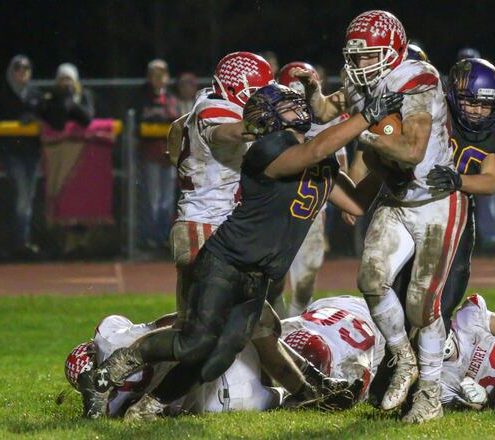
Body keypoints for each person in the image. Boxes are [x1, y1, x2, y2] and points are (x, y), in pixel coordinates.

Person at [84, 83, 402, 417]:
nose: (298, 108)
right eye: (286, 106)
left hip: (259, 274)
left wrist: (385, 165)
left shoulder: (315, 154)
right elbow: (310, 154)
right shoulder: (267, 149)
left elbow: (356, 203)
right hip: (225, 261)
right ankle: (107, 373)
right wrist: (366, 117)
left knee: (219, 355)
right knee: (195, 342)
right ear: (266, 117)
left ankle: (149, 407)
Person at [295, 10, 467, 423]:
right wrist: (312, 89)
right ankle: (403, 358)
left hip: (434, 202)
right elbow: (324, 112)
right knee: (370, 279)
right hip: (395, 198)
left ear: (391, 52)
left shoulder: (417, 79)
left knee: (421, 304)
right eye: (355, 57)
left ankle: (430, 392)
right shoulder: (359, 80)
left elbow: (410, 152)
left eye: (369, 56)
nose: (359, 65)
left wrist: (362, 129)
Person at [168, 51, 273, 325]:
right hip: (205, 224)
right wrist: (273, 122)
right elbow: (233, 132)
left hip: (223, 222)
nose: (261, 100)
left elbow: (175, 133)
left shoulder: (204, 104)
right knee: (198, 326)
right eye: (255, 93)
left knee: (252, 321)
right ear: (233, 88)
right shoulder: (215, 108)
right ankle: (134, 352)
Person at [419, 57, 495, 328]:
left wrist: (456, 180)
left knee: (451, 286)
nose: (478, 111)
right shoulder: (432, 109)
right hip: (415, 203)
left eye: (486, 104)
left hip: (457, 207)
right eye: (471, 102)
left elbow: (490, 182)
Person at [64, 314, 285, 419]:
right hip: (232, 355)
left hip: (225, 403)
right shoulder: (108, 337)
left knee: (280, 397)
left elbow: (96, 413)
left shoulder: (111, 406)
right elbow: (163, 324)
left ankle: (288, 392)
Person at [270, 61, 350, 317]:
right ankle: (279, 328)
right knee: (273, 278)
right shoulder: (268, 115)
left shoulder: (330, 116)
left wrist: (344, 198)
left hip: (311, 204)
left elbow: (340, 162)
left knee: (306, 281)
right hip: (276, 204)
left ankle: (294, 323)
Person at [38, 63, 103, 257]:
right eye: (62, 79)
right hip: (60, 156)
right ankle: (65, 244)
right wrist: (63, 99)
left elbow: (87, 118)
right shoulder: (51, 98)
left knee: (82, 197)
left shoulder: (85, 95)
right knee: (62, 196)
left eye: (69, 79)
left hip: (83, 155)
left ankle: (82, 243)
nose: (66, 83)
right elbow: (56, 122)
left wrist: (71, 102)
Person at [281, 295, 386, 402]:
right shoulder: (285, 329)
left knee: (375, 394)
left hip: (374, 322)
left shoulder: (351, 366)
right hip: (328, 305)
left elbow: (350, 397)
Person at [0, 55, 43, 256]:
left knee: (28, 197)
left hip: (31, 152)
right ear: (11, 71)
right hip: (12, 153)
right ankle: (20, 241)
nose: (23, 72)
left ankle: (22, 241)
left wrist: (34, 117)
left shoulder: (35, 93)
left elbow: (45, 115)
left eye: (27, 68)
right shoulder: (1, 91)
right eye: (18, 68)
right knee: (22, 195)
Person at [135, 59, 180, 252]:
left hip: (168, 156)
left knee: (167, 199)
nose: (159, 78)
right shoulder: (142, 97)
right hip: (150, 155)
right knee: (151, 199)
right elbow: (140, 120)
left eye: (162, 74)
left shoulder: (171, 98)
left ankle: (163, 237)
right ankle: (149, 237)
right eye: (154, 74)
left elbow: (175, 119)